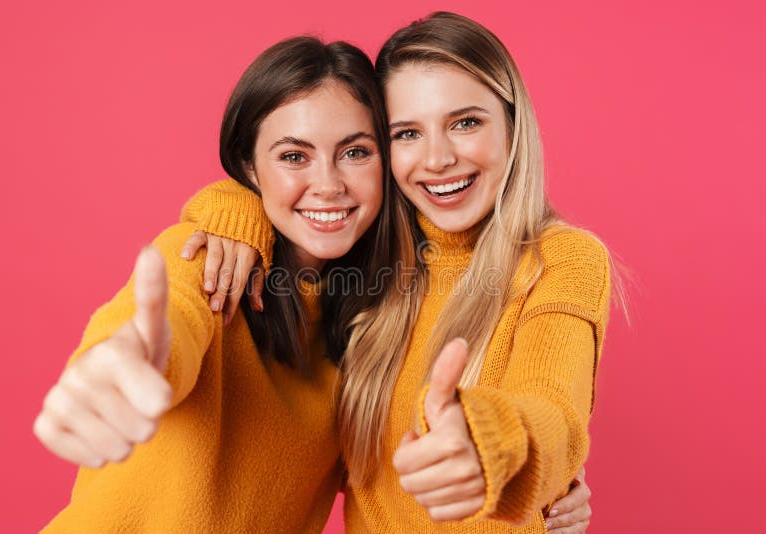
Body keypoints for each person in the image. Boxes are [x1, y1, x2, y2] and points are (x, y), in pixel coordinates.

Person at [185, 11, 608, 533]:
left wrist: (497, 451)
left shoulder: (564, 259)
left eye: (466, 122)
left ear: (513, 125)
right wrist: (236, 209)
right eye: (407, 133)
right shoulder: (370, 264)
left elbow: (555, 412)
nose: (437, 158)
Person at [33, 36, 393, 532]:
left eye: (355, 152)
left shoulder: (378, 324)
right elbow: (170, 315)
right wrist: (129, 359)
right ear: (249, 166)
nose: (329, 184)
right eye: (293, 156)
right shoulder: (209, 257)